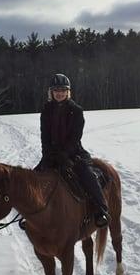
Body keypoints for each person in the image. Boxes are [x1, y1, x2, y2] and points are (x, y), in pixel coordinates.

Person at [34, 73, 110, 228]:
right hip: (51, 154)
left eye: (63, 90)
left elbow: (75, 137)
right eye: (56, 90)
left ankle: (101, 209)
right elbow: (44, 135)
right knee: (34, 177)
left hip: (73, 153)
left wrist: (64, 155)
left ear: (68, 92)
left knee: (86, 174)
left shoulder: (76, 110)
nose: (59, 93)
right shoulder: (46, 110)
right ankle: (31, 215)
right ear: (51, 92)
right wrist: (47, 154)